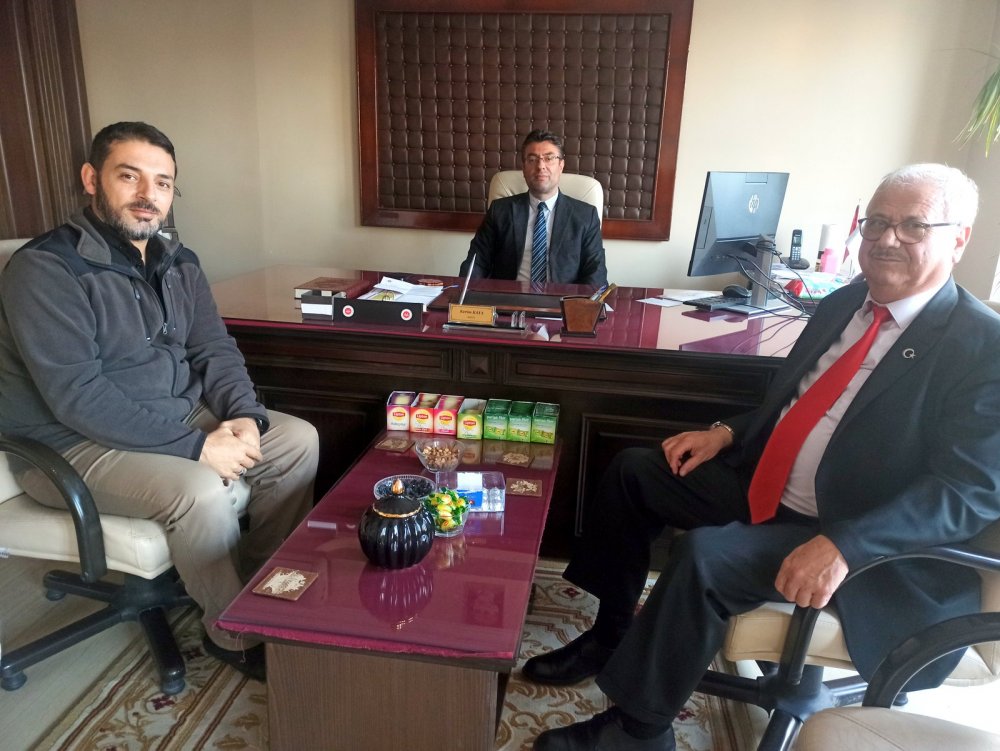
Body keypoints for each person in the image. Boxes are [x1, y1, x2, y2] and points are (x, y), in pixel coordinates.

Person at [523, 163, 1000, 750]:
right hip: (772, 489)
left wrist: (847, 544)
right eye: (876, 222)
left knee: (704, 557)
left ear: (959, 238)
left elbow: (968, 490)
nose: (886, 239)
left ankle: (639, 731)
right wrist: (727, 433)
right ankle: (611, 635)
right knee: (635, 471)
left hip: (852, 532)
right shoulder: (843, 304)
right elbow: (798, 406)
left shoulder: (983, 345)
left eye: (912, 226)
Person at [0, 122, 319, 682]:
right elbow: (78, 396)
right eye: (130, 176)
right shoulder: (45, 269)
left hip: (170, 416)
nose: (149, 195)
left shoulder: (178, 261)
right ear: (92, 179)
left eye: (163, 182)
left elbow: (213, 348)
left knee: (295, 442)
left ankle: (259, 595)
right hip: (69, 445)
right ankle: (234, 634)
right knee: (198, 490)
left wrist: (244, 416)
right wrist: (197, 447)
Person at [459, 129, 608, 286]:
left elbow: (595, 274)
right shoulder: (500, 211)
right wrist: (466, 293)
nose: (540, 166)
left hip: (562, 299)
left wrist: (581, 302)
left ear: (561, 165)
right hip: (509, 297)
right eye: (532, 159)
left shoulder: (586, 216)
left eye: (549, 158)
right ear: (523, 168)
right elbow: (476, 262)